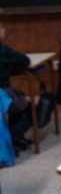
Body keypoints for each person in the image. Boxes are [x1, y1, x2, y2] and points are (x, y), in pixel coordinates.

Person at [0, 23, 32, 152]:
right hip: (2, 94)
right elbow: (25, 60)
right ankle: (15, 136)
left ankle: (14, 136)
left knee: (18, 98)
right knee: (32, 101)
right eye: (1, 28)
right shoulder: (3, 50)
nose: (4, 30)